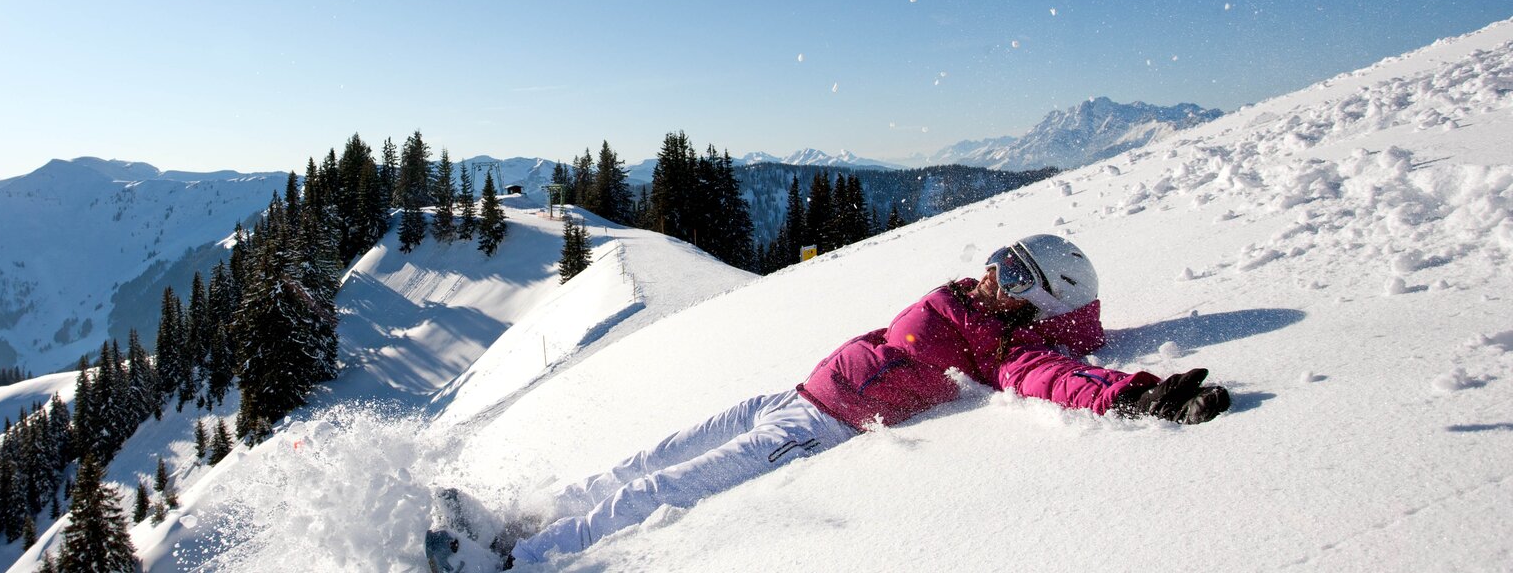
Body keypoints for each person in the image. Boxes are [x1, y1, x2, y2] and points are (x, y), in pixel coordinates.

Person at [507, 234, 1231, 565]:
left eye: (1014, 277)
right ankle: (518, 524)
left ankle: (532, 560)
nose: (991, 275)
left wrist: (1134, 395)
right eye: (1002, 259)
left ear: (1036, 305)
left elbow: (1050, 377)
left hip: (821, 427)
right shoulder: (970, 307)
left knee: (669, 486)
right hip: (789, 395)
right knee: (650, 457)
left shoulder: (1009, 348)